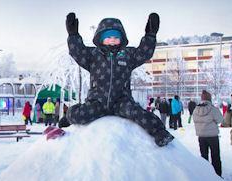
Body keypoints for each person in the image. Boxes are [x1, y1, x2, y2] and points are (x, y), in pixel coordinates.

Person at [60, 12, 173, 146]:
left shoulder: (128, 55)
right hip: (97, 101)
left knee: (138, 114)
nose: (112, 39)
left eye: (116, 37)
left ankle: (159, 133)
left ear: (122, 38)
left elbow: (144, 53)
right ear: (100, 38)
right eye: (108, 37)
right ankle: (68, 118)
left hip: (122, 101)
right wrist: (73, 35)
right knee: (80, 115)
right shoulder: (93, 55)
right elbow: (78, 52)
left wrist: (150, 35)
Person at [193, 90, 223, 177]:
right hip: (212, 136)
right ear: (209, 99)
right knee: (215, 156)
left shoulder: (196, 109)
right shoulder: (213, 109)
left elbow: (194, 120)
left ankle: (206, 176)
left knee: (204, 156)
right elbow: (220, 120)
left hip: (201, 136)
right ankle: (217, 175)